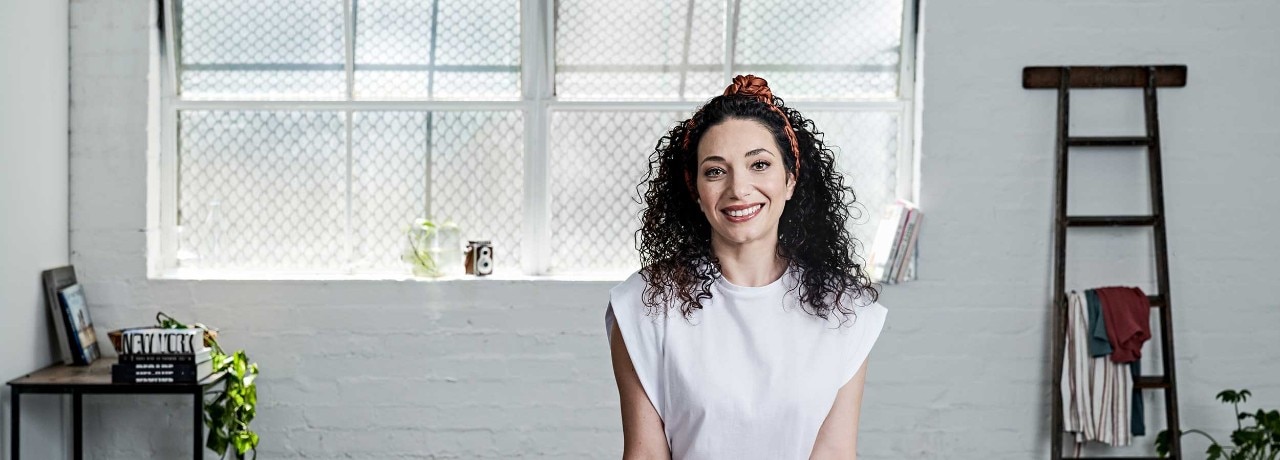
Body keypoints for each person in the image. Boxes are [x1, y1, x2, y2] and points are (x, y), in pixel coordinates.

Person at [605, 75, 889, 459]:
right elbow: (645, 455)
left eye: (759, 164)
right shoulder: (644, 303)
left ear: (790, 180)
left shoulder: (845, 308)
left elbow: (835, 453)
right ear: (696, 190)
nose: (739, 189)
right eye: (715, 171)